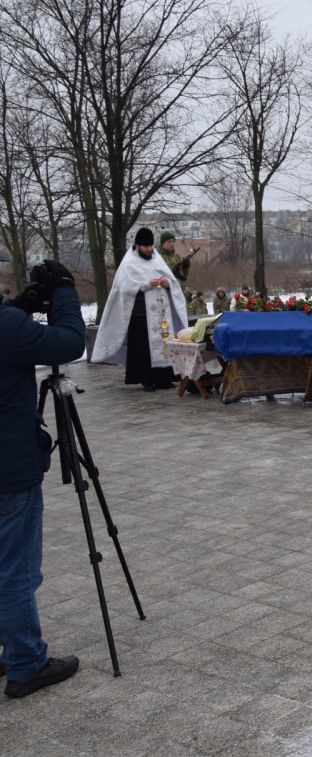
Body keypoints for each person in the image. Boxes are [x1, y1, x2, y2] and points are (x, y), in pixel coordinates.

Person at [0, 257, 85, 698]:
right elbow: (70, 341)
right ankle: (26, 664)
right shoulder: (7, 330)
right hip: (9, 471)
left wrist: (19, 306)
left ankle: (8, 649)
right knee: (14, 574)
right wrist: (64, 292)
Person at [90, 227, 187, 391]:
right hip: (140, 313)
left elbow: (173, 282)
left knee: (164, 342)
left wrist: (166, 283)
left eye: (151, 246)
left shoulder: (157, 260)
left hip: (161, 313)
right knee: (142, 348)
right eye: (146, 247)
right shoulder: (129, 264)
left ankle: (164, 377)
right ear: (137, 246)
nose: (149, 250)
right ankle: (146, 379)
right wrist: (147, 284)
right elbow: (124, 288)